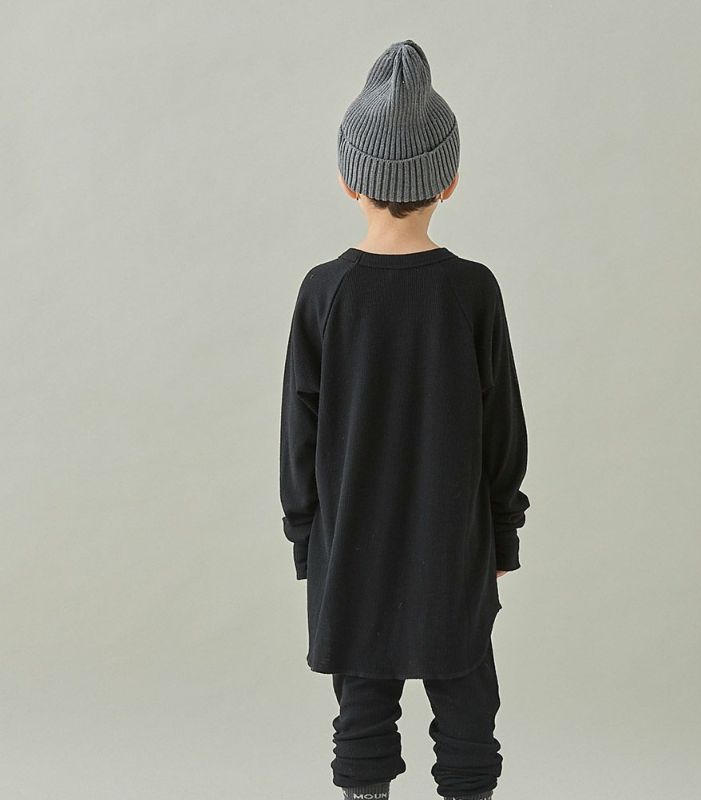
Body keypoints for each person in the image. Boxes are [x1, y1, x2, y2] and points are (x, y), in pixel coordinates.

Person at [279, 39, 531, 800]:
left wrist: (307, 539)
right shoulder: (473, 291)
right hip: (454, 543)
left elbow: (298, 431)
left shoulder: (325, 292)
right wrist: (502, 535)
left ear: (347, 178)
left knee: (361, 711)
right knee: (468, 706)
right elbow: (503, 428)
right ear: (448, 182)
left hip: (349, 541)